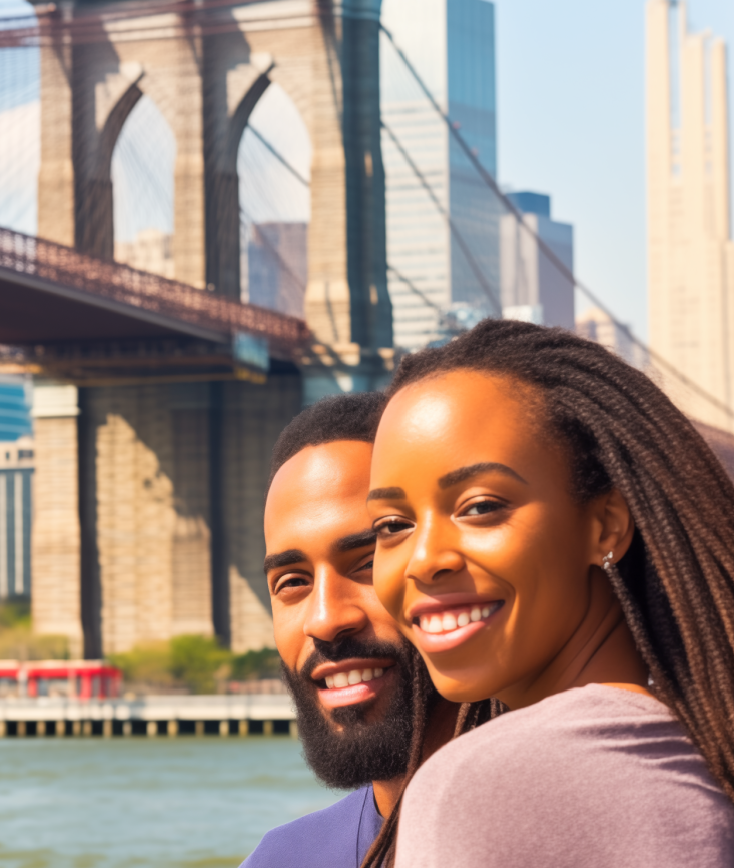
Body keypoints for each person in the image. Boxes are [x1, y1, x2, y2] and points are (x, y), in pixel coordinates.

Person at [367, 319, 734, 867]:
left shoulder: (479, 786)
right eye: (393, 525)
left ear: (604, 525)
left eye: (481, 507)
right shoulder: (705, 749)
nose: (424, 561)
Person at [243, 393, 467, 868]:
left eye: (367, 563)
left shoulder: (611, 822)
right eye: (292, 582)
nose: (324, 618)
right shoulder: (281, 861)